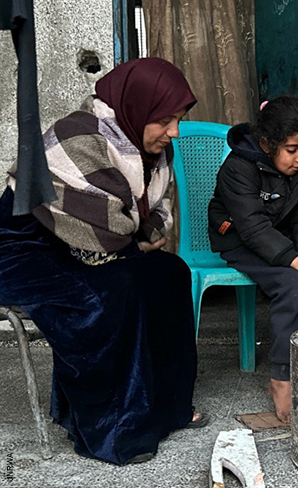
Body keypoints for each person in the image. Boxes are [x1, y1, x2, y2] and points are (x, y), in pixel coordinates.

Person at [0, 58, 205, 465]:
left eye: (178, 120)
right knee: (108, 294)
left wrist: (133, 241)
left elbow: (144, 220)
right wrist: (132, 241)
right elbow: (112, 226)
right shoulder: (78, 135)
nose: (174, 132)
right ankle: (110, 428)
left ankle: (166, 408)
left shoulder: (147, 151)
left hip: (88, 244)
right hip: (21, 251)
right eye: (165, 120)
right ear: (137, 108)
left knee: (170, 274)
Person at [208, 96, 298, 424]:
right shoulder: (238, 166)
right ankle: (282, 378)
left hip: (281, 235)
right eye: (292, 150)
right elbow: (254, 228)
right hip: (238, 238)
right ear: (266, 144)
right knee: (291, 282)